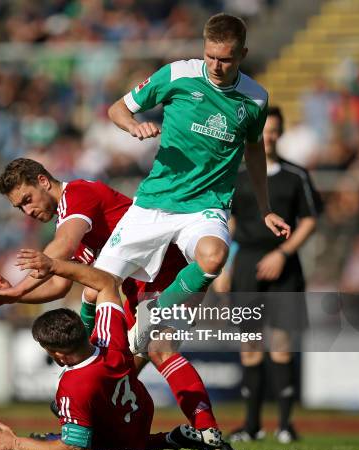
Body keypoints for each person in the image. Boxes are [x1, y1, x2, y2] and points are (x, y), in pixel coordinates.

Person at [0, 158, 220, 432]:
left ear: (43, 182)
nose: (27, 210)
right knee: (119, 367)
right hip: (140, 286)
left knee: (156, 350)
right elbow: (59, 285)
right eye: (19, 207)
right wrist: (14, 297)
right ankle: (90, 427)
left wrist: (18, 287)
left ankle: (206, 429)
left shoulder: (78, 195)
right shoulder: (75, 224)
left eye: (27, 199)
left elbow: (62, 248)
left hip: (166, 274)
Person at [93, 13, 291, 318]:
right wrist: (134, 126)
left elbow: (254, 150)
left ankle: (154, 314)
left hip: (206, 207)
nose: (215, 66)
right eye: (210, 56)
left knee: (213, 258)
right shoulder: (177, 74)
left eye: (225, 59)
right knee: (96, 289)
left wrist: (265, 208)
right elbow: (117, 109)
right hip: (156, 201)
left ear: (243, 54)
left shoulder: (255, 99)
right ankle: (84, 359)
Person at [0, 249, 234, 450]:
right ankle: (174, 437)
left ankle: (179, 435)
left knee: (77, 429)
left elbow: (72, 449)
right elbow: (106, 284)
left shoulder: (74, 384)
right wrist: (55, 267)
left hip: (118, 435)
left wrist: (17, 443)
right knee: (143, 345)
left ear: (59, 355)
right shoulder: (111, 339)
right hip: (139, 415)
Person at [222, 106, 322, 443]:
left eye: (276, 130)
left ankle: (285, 425)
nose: (270, 137)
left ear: (282, 133)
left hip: (284, 267)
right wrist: (225, 265)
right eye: (265, 131)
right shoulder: (237, 175)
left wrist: (282, 253)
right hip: (247, 263)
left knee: (281, 344)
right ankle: (251, 426)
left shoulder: (296, 175)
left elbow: (309, 219)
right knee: (249, 345)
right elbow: (229, 223)